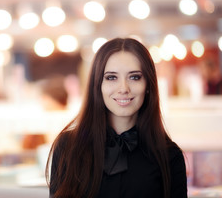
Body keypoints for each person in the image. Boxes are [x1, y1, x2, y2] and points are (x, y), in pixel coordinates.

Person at [46, 38, 187, 198]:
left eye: (134, 77)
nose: (123, 89)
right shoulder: (68, 147)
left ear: (148, 85)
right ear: (98, 85)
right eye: (111, 77)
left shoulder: (169, 155)